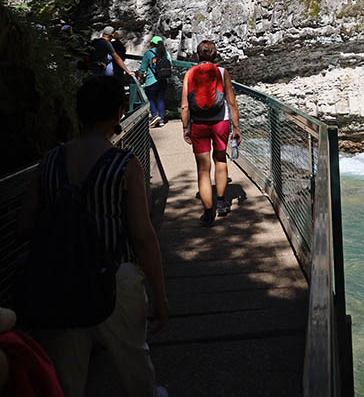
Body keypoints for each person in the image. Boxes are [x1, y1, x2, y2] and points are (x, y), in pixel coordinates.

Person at [19, 77, 169, 397]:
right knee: (134, 362)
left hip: (60, 277)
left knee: (66, 374)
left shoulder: (50, 161)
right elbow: (143, 236)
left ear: (78, 112)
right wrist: (160, 294)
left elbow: (25, 224)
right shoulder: (124, 165)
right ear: (118, 114)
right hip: (115, 277)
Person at [180, 40, 241, 225]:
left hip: (198, 124)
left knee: (203, 169)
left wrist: (185, 128)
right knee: (220, 160)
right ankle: (221, 203)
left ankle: (208, 212)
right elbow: (231, 102)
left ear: (197, 57)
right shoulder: (222, 73)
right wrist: (236, 127)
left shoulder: (189, 74)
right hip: (220, 122)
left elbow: (184, 106)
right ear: (214, 56)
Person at [137, 37, 172, 128]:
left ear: (152, 44)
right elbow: (170, 65)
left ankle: (154, 115)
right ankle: (162, 120)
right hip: (163, 80)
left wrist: (139, 78)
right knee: (160, 99)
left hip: (151, 81)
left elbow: (142, 68)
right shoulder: (166, 53)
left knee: (151, 99)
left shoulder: (148, 53)